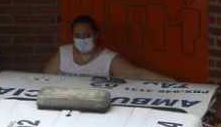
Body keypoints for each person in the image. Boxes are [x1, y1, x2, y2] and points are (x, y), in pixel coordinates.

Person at [43, 14, 171, 81]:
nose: (82, 40)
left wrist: (175, 84)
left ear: (96, 35)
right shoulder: (62, 54)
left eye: (86, 35)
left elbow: (137, 74)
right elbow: (44, 79)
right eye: (77, 35)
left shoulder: (108, 58)